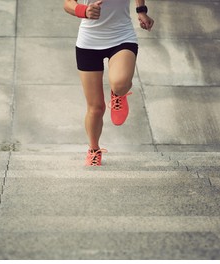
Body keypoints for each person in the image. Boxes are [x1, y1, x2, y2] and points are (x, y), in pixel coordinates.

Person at [63, 0, 154, 166]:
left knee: (119, 84)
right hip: (88, 43)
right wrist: (83, 10)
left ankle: (118, 93)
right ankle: (93, 150)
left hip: (122, 37)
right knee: (96, 108)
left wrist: (141, 10)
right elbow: (68, 3)